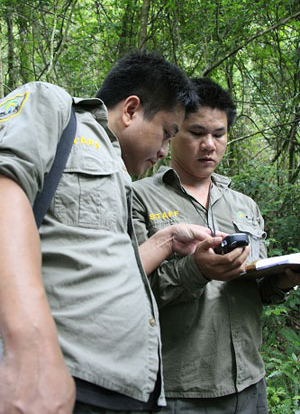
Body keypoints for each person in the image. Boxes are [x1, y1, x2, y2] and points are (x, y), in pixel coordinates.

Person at [0, 52, 216, 414]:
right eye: (166, 133)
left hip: (125, 393)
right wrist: (30, 350)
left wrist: (167, 241)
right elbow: (6, 188)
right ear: (131, 110)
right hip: (60, 382)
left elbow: (96, 267)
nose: (165, 151)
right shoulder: (54, 106)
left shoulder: (121, 177)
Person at [132, 77, 300, 414]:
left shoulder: (243, 205)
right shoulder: (140, 197)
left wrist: (285, 279)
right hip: (179, 389)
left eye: (218, 135)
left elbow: (256, 288)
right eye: (196, 133)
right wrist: (195, 270)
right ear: (173, 131)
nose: (209, 144)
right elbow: (133, 291)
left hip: (249, 382)